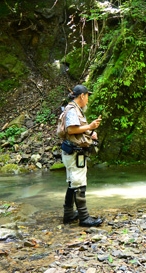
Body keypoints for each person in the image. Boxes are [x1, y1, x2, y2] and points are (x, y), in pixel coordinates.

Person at [61, 84, 103, 227]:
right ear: (82, 96)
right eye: (87, 97)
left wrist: (90, 133)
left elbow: (76, 131)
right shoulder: (73, 109)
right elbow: (71, 129)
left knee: (73, 184)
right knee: (79, 183)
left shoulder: (71, 108)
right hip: (74, 153)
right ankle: (84, 218)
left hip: (70, 151)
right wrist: (90, 127)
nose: (88, 100)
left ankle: (69, 214)